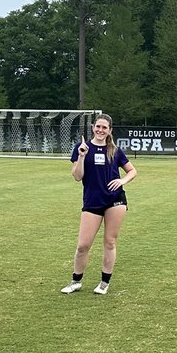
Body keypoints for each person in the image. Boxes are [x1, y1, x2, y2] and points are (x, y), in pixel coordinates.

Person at [60, 113, 137, 295]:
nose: (100, 130)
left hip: (115, 201)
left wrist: (122, 181)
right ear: (93, 127)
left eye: (105, 127)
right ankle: (76, 281)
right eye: (98, 126)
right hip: (92, 201)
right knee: (83, 245)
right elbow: (77, 177)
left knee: (109, 242)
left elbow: (132, 171)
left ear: (110, 130)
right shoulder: (82, 147)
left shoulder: (115, 150)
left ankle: (104, 282)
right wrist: (81, 157)